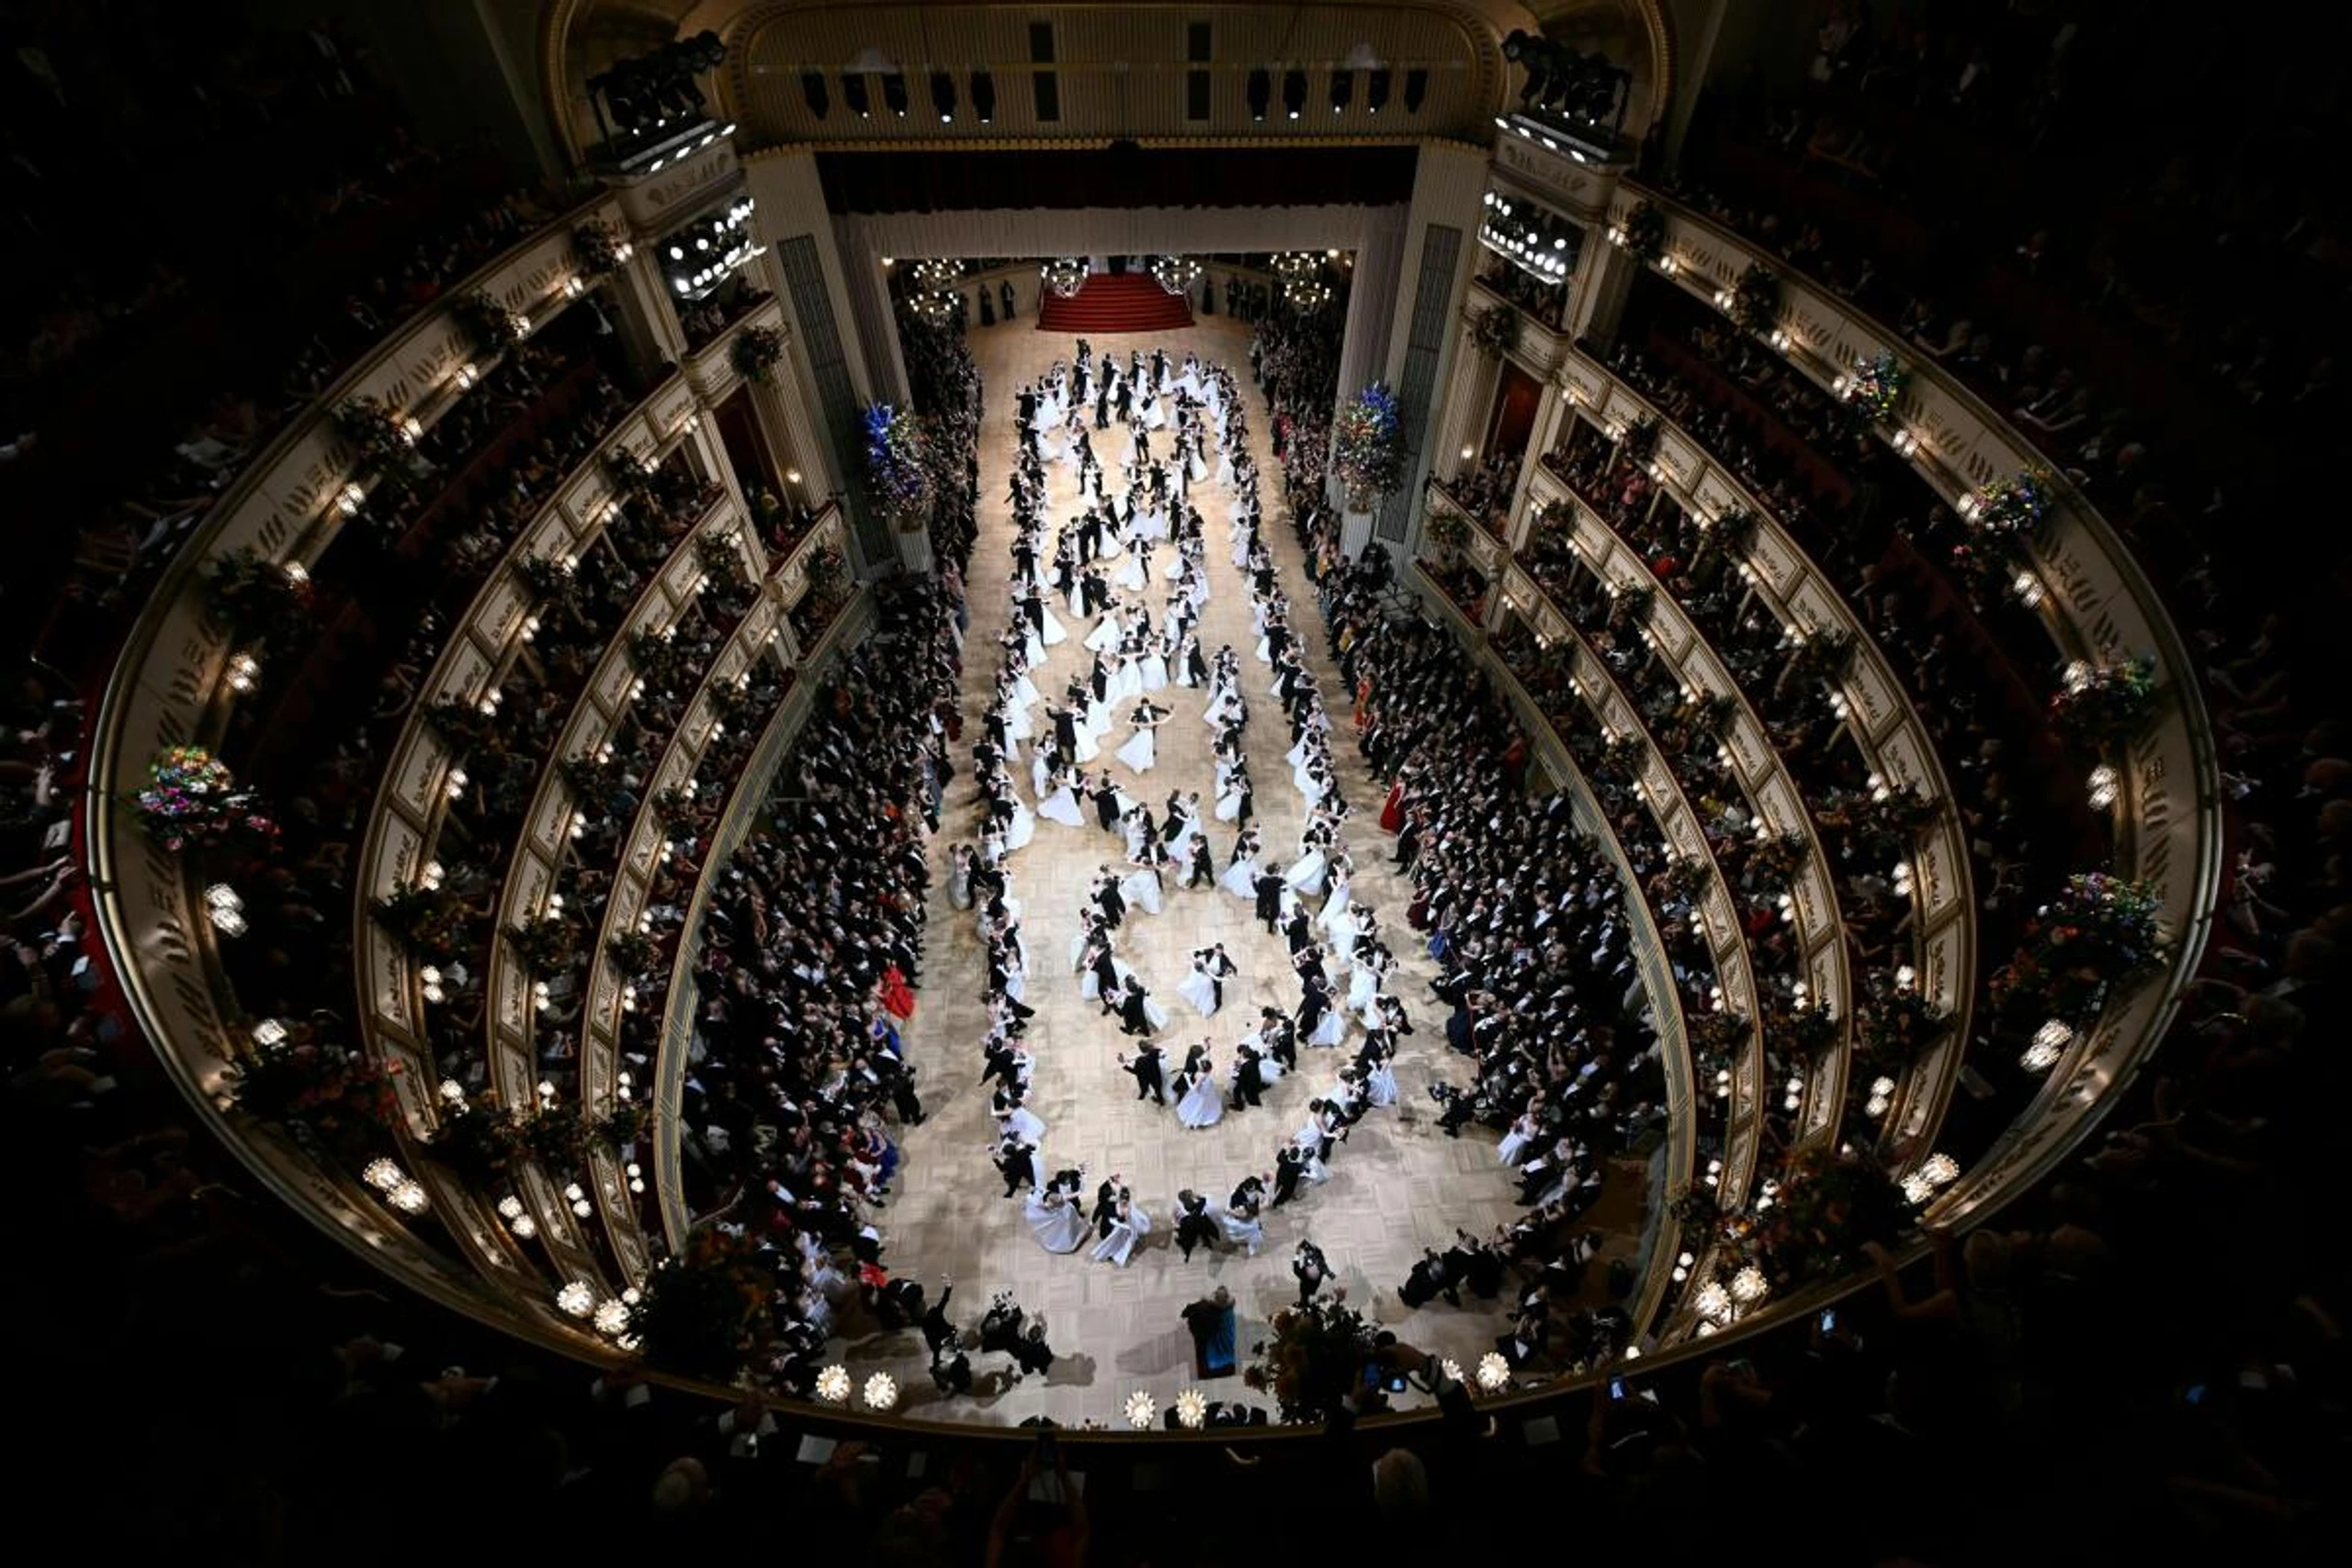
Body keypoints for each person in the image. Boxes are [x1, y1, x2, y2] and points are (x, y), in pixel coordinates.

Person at [1293, 1239, 1332, 1305]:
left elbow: (1296, 1270)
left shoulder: (1309, 1271)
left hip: (1307, 1296)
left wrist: (1297, 1254)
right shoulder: (1319, 1267)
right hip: (1309, 1295)